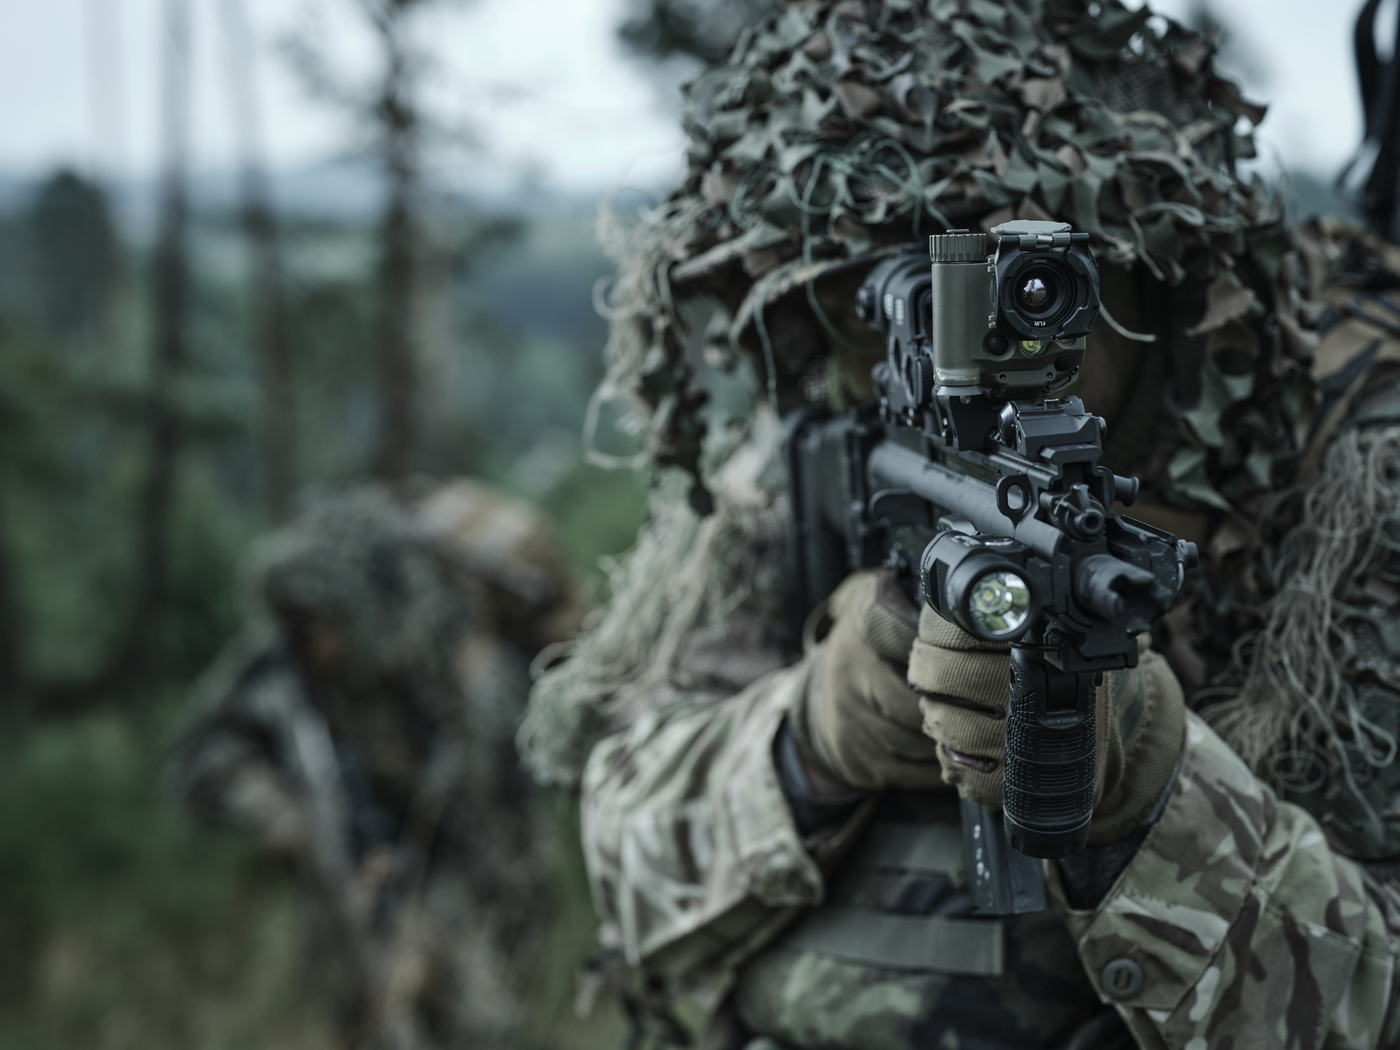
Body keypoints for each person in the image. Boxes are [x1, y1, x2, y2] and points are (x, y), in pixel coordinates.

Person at [519, 1, 1400, 1047]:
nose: (956, 361)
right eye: (879, 303)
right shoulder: (824, 446)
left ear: (1156, 274)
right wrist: (809, 736)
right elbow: (624, 867)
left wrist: (1150, 792)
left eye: (1019, 293)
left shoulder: (1359, 464)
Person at [174, 480, 581, 1050]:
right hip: (355, 895)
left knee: (486, 1025)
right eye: (306, 631)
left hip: (465, 878)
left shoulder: (441, 644)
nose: (319, 647)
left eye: (327, 628)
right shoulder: (286, 673)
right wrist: (287, 817)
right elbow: (206, 756)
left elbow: (495, 779)